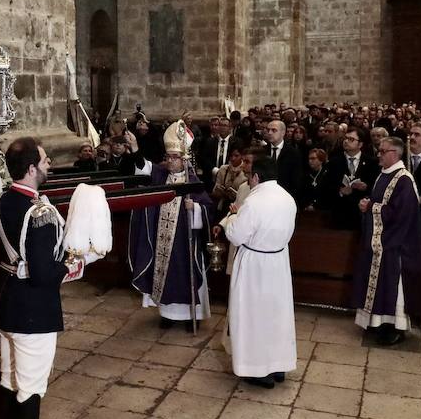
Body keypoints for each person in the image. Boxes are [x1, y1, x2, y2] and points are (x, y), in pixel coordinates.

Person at [0, 137, 84, 419]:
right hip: (33, 311)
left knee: (8, 379)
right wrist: (76, 266)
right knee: (30, 388)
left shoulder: (1, 202)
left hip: (8, 303)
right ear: (31, 168)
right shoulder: (41, 213)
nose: (48, 165)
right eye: (45, 161)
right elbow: (46, 273)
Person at [219, 154, 297, 389]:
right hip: (278, 262)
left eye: (249, 175)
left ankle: (257, 370)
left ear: (256, 177)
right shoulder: (288, 198)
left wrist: (233, 215)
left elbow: (235, 235)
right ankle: (277, 365)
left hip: (255, 264)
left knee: (253, 316)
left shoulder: (254, 201)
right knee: (276, 315)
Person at [128, 122, 212, 328]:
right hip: (163, 240)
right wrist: (135, 148)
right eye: (168, 157)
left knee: (185, 273)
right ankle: (168, 315)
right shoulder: (160, 175)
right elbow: (144, 167)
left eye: (174, 158)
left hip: (185, 242)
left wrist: (197, 209)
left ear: (184, 159)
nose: (170, 161)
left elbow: (208, 208)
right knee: (164, 276)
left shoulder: (193, 182)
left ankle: (194, 316)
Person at [351, 136, 421, 346]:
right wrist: (368, 204)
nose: (379, 155)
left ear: (394, 153)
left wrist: (371, 208)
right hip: (381, 242)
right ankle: (379, 322)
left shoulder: (403, 179)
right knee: (379, 284)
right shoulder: (383, 175)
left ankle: (395, 327)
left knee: (394, 287)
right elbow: (381, 203)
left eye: (382, 151)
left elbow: (402, 214)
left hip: (396, 244)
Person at [259, 119, 304, 199]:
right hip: (265, 195)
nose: (269, 133)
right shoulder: (262, 151)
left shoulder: (293, 153)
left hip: (286, 196)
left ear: (283, 133)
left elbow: (296, 179)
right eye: (268, 130)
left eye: (274, 130)